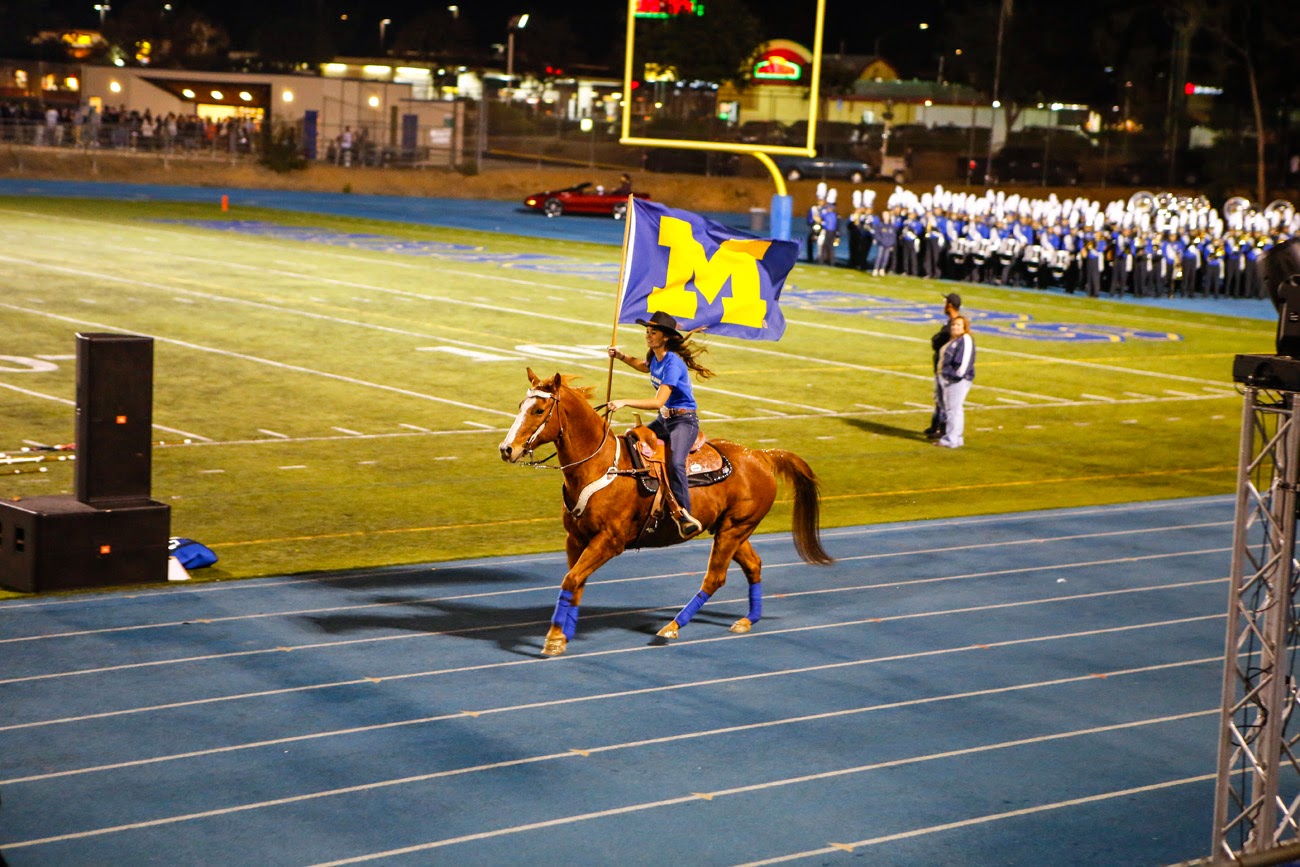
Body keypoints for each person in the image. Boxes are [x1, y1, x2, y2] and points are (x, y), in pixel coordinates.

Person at [608, 311, 713, 537]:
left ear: (664, 337)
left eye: (652, 332)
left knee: (676, 463)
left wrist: (625, 401)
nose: (648, 335)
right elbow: (645, 366)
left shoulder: (673, 363)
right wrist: (622, 356)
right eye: (647, 331)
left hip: (683, 421)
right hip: (665, 420)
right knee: (630, 440)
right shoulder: (656, 356)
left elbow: (658, 402)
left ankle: (685, 514)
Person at [924, 292, 962, 440]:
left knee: (945, 399)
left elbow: (939, 342)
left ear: (950, 305)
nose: (943, 305)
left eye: (945, 302)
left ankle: (943, 429)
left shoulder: (955, 324)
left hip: (947, 368)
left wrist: (936, 339)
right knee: (939, 398)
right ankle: (936, 425)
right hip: (942, 366)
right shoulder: (951, 323)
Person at [935, 314, 975, 449]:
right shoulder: (955, 340)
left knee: (953, 410)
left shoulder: (966, 340)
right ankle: (956, 438)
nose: (955, 327)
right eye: (953, 324)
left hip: (956, 380)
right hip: (948, 378)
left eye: (958, 325)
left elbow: (963, 364)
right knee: (954, 409)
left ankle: (951, 439)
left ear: (965, 327)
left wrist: (953, 376)